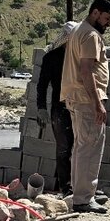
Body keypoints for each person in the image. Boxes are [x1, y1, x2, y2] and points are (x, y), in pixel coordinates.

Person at [61, 0, 110, 213]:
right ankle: (84, 199)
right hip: (86, 100)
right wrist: (98, 103)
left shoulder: (77, 30)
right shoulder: (90, 35)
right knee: (90, 149)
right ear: (95, 12)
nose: (108, 23)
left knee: (81, 148)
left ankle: (80, 195)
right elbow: (86, 71)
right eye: (106, 18)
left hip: (77, 98)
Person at [36, 21, 78, 194]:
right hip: (60, 108)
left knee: (79, 148)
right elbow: (42, 85)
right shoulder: (52, 57)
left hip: (79, 107)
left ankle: (77, 185)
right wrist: (41, 108)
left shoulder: (79, 57)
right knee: (63, 148)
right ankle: (65, 187)